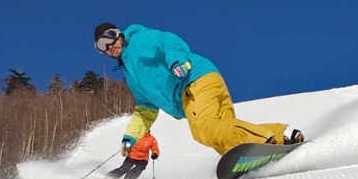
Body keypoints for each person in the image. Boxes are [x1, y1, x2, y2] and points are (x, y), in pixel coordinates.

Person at [93, 22, 304, 156]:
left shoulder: (137, 40)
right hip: (204, 83)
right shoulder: (132, 78)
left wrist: (177, 61)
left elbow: (167, 40)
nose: (110, 46)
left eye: (110, 37)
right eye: (102, 46)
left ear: (119, 33)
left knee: (204, 129)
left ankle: (265, 140)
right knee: (224, 139)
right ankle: (283, 133)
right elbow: (145, 110)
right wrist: (130, 137)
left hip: (193, 81)